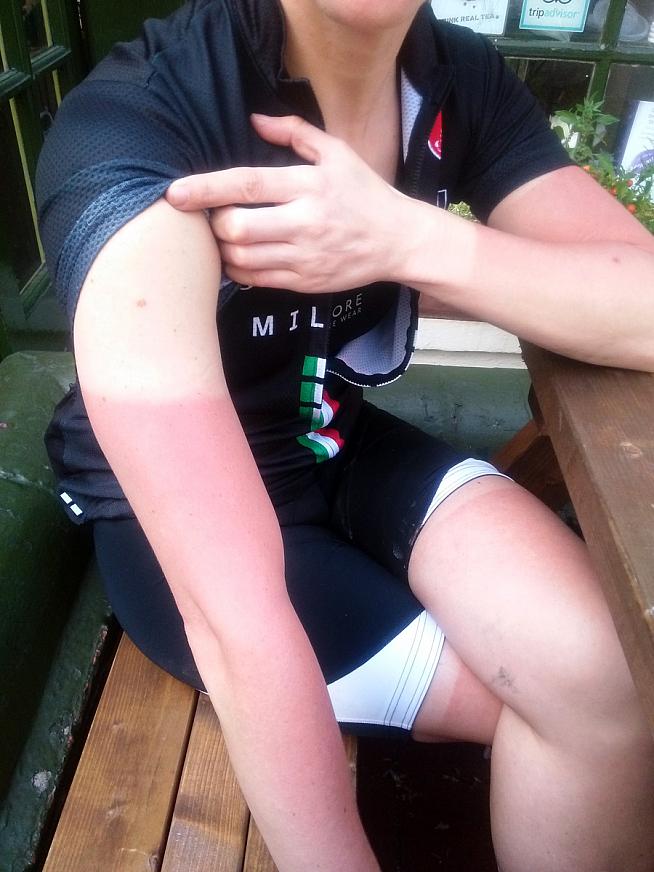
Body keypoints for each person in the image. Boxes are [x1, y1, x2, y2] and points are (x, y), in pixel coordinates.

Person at [36, 1, 654, 869]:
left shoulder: (452, 74)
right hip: (178, 533)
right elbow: (233, 619)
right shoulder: (143, 124)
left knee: (617, 683)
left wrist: (410, 239)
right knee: (587, 717)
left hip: (336, 437)